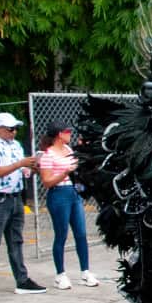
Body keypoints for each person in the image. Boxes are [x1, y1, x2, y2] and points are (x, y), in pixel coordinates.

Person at [0, 112, 45, 299]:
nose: (14, 132)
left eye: (15, 129)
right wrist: (19, 164)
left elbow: (23, 171)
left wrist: (32, 166)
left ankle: (22, 279)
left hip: (16, 196)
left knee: (16, 240)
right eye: (10, 129)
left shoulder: (16, 146)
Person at [37, 122, 99, 290]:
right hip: (58, 194)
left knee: (81, 233)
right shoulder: (48, 155)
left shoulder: (69, 150)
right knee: (61, 235)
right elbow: (47, 181)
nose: (69, 134)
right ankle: (60, 274)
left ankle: (85, 271)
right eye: (66, 131)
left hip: (73, 193)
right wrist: (64, 173)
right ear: (58, 134)